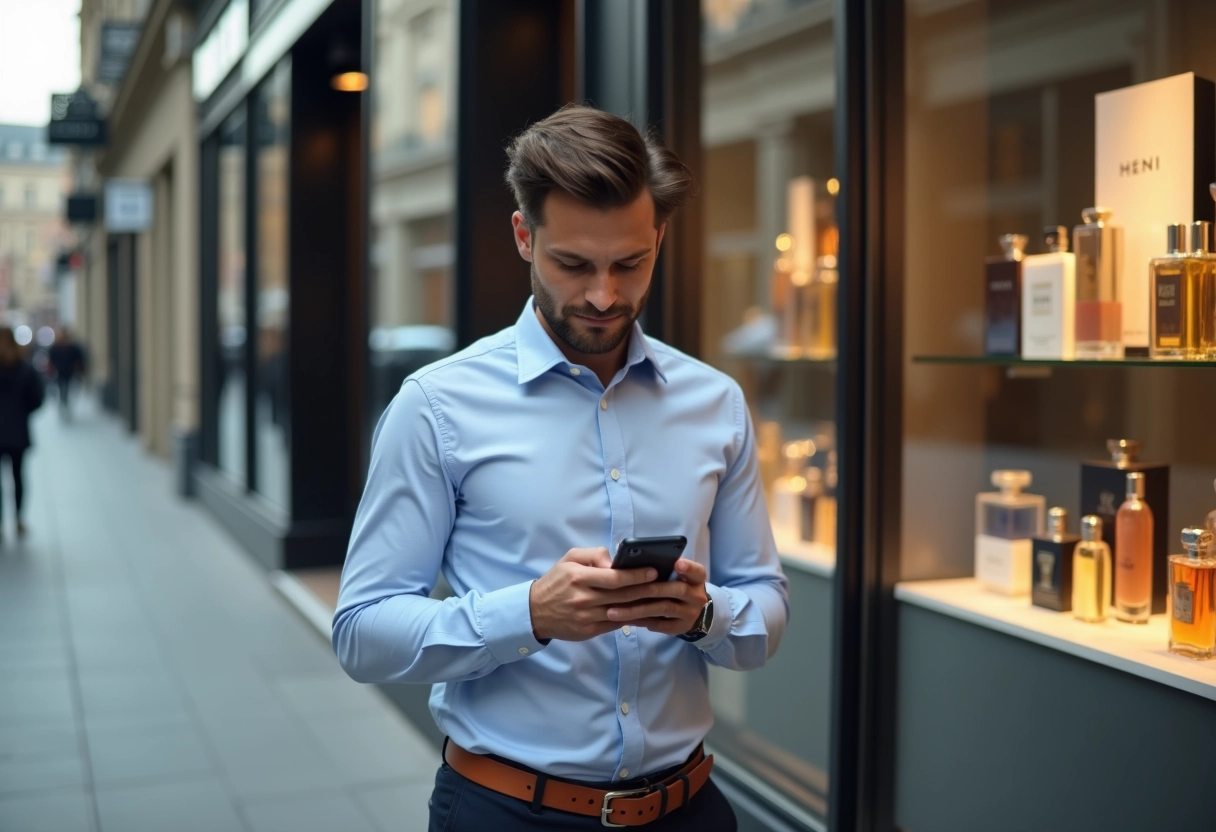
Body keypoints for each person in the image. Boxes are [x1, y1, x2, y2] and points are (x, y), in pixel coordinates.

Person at [333, 105, 789, 832]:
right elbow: (362, 631)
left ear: (659, 238)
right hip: (507, 813)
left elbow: (766, 605)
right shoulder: (437, 407)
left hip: (689, 811)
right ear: (524, 237)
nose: (604, 295)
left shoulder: (716, 404)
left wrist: (705, 615)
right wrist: (530, 615)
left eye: (630, 263)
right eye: (573, 264)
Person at [0, 327, 44, 539]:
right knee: (15, 478)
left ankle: (17, 518)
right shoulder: (25, 369)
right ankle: (13, 520)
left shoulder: (25, 370)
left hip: (16, 432)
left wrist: (20, 412)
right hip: (16, 431)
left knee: (17, 477)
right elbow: (37, 399)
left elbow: (37, 399)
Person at [48, 327, 86, 418]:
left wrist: (81, 371)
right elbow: (51, 360)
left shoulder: (73, 348)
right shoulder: (56, 347)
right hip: (59, 373)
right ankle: (63, 405)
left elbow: (80, 360)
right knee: (62, 390)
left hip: (71, 373)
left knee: (69, 391)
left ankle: (66, 405)